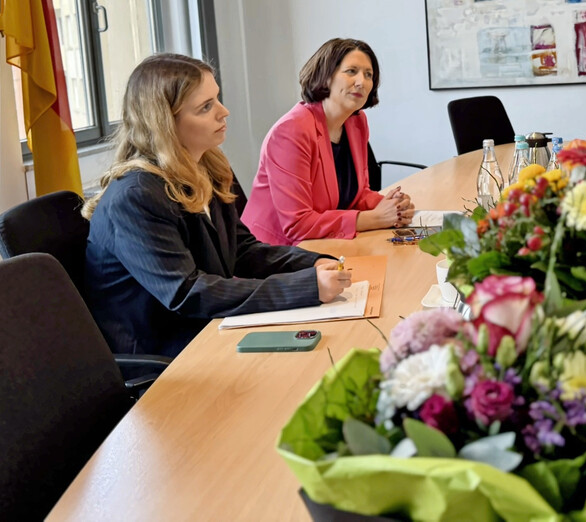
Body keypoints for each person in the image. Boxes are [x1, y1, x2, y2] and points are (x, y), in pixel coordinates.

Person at [83, 53, 351, 357]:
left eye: (217, 99)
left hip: (208, 328)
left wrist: (310, 263)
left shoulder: (209, 165)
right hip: (168, 355)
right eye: (206, 107)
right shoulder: (136, 196)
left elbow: (242, 249)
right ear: (165, 124)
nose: (224, 112)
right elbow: (186, 293)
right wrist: (304, 288)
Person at [242, 38, 414, 246]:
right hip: (276, 255)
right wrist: (374, 218)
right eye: (351, 71)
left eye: (369, 75)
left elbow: (357, 195)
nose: (362, 81)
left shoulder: (356, 122)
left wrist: (391, 206)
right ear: (326, 76)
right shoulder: (291, 131)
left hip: (327, 246)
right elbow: (297, 224)